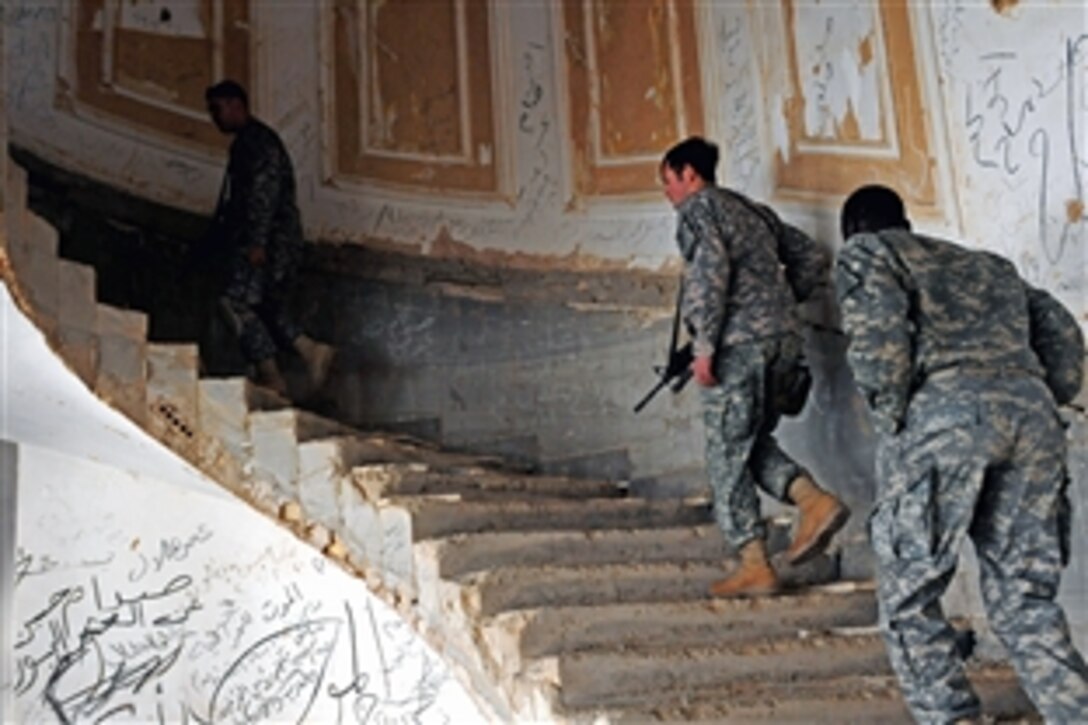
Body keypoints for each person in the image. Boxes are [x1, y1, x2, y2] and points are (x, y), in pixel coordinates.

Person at [836, 184, 1088, 722]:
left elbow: (877, 341)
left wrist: (894, 420)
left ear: (854, 229)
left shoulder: (868, 251)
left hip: (943, 418)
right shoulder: (990, 266)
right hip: (1031, 417)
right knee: (1026, 602)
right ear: (905, 219)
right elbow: (1064, 338)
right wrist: (1043, 396)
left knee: (909, 601)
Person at [660, 136, 850, 598]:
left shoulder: (699, 210)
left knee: (725, 454)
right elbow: (809, 256)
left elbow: (710, 272)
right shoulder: (752, 211)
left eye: (668, 182)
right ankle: (813, 499)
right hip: (784, 342)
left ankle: (753, 563)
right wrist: (782, 305)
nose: (668, 194)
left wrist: (704, 347)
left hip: (738, 348)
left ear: (689, 174)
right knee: (747, 440)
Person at [204, 80, 333, 396]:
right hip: (273, 239)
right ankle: (309, 351)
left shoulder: (256, 143)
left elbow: (264, 192)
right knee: (264, 305)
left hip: (268, 241)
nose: (214, 118)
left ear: (236, 105)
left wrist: (257, 242)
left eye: (217, 109)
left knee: (236, 302)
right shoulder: (252, 141)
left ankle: (271, 375)